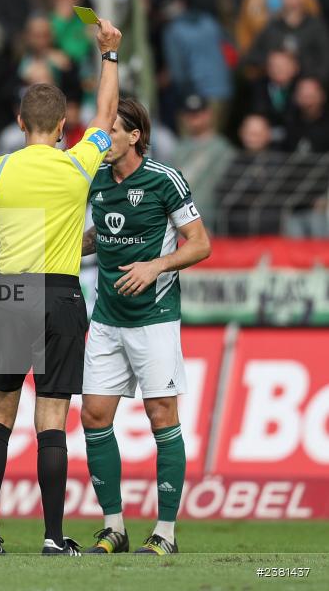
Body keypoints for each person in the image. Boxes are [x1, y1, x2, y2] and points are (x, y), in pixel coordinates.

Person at [0, 19, 123, 556]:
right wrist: (109, 56)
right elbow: (106, 115)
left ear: (20, 120)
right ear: (63, 124)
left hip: (13, 293)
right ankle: (53, 537)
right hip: (62, 296)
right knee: (51, 418)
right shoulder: (78, 164)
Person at [80, 97, 211, 555]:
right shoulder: (96, 179)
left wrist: (155, 266)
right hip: (107, 317)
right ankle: (114, 527)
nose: (103, 140)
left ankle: (166, 533)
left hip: (154, 318)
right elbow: (103, 234)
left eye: (111, 132)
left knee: (161, 418)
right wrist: (70, 249)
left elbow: (199, 244)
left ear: (134, 135)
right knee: (93, 416)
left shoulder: (164, 180)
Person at [171, 95, 236, 222]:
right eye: (190, 114)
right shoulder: (177, 149)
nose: (194, 118)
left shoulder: (223, 149)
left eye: (199, 113)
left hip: (211, 223)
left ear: (209, 114)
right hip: (178, 222)